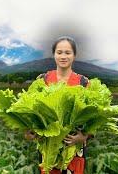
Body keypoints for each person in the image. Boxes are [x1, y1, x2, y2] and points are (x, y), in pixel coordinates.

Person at [25, 36, 92, 174]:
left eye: (68, 53)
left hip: (73, 149)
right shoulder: (42, 80)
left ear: (74, 55)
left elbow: (95, 117)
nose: (63, 56)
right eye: (59, 52)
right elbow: (31, 111)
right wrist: (29, 131)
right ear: (53, 54)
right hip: (48, 148)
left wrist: (84, 137)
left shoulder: (84, 83)